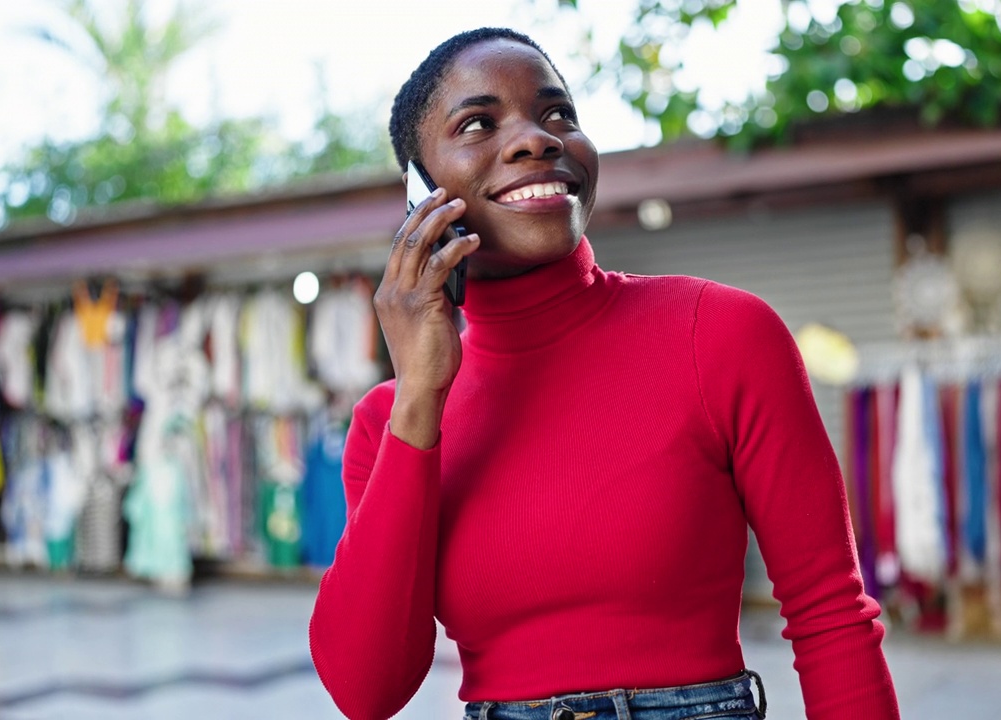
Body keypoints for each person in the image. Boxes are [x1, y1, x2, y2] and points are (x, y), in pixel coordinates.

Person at [309, 27, 901, 720]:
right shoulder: (393, 421)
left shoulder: (720, 333)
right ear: (419, 192)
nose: (538, 139)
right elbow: (365, 690)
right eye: (478, 122)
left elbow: (831, 613)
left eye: (559, 114)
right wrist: (419, 398)